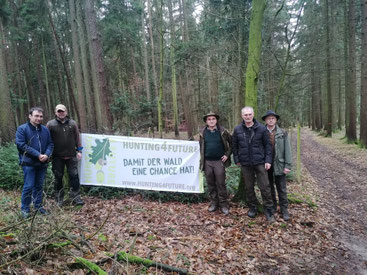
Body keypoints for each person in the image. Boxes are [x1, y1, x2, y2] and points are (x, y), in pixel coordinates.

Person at [232, 106, 275, 222]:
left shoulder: (261, 128)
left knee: (265, 186)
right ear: (242, 116)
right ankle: (253, 207)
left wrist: (268, 160)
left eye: (249, 114)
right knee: (248, 187)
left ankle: (269, 209)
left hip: (260, 162)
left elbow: (268, 146)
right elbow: (234, 146)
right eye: (245, 115)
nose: (248, 117)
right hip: (245, 163)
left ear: (253, 114)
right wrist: (236, 158)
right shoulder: (237, 130)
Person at [15, 107, 54, 218]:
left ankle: (38, 206)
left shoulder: (45, 130)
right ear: (30, 116)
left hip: (42, 163)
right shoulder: (22, 129)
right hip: (28, 163)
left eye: (41, 116)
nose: (39, 118)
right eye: (36, 116)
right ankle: (25, 209)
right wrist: (38, 155)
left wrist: (46, 154)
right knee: (29, 186)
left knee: (39, 186)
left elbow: (50, 144)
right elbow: (21, 145)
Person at [46, 104, 84, 207]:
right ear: (55, 112)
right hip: (57, 156)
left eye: (62, 111)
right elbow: (46, 139)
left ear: (66, 112)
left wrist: (79, 151)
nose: (61, 113)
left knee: (74, 176)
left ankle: (76, 197)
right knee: (58, 177)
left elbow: (77, 137)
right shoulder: (50, 124)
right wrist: (47, 154)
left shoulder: (72, 123)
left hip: (71, 155)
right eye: (59, 111)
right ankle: (59, 199)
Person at [199, 112, 232, 215]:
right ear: (206, 121)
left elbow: (233, 143)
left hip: (219, 162)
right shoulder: (202, 132)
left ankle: (223, 204)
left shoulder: (223, 131)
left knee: (221, 183)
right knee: (210, 183)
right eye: (209, 119)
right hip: (207, 162)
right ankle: (214, 202)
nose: (211, 121)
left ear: (216, 120)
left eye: (213, 118)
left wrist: (227, 154)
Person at [262, 110, 292, 221]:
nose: (271, 120)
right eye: (268, 118)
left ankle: (284, 210)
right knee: (269, 187)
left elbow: (287, 150)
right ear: (265, 120)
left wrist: (287, 165)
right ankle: (273, 207)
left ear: (276, 120)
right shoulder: (261, 131)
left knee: (282, 188)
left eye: (273, 118)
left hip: (279, 163)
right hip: (266, 164)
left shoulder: (282, 133)